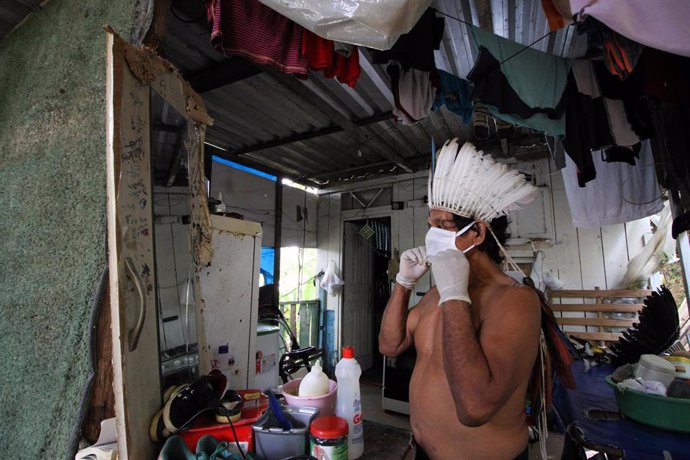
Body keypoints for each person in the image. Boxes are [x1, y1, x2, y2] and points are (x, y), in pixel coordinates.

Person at [379, 138, 543, 460]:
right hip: (424, 452)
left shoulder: (516, 301)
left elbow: (474, 408)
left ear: (478, 233)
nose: (431, 235)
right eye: (431, 225)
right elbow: (390, 345)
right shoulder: (439, 292)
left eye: (443, 225)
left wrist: (456, 295)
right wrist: (403, 283)